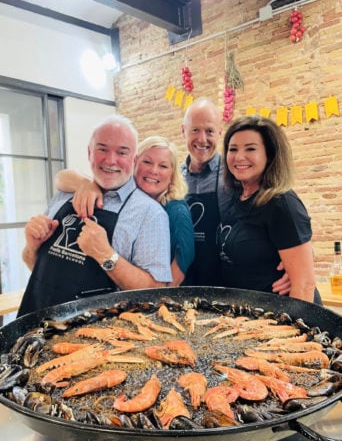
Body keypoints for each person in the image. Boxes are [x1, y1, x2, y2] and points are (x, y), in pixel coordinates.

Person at [17, 115, 172, 317]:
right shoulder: (65, 194)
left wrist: (106, 256)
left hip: (94, 339)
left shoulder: (150, 214)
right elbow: (35, 266)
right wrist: (32, 245)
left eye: (122, 152)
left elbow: (155, 292)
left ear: (133, 160)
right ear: (90, 152)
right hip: (34, 323)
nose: (110, 160)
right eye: (102, 149)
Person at [181, 97, 290, 294]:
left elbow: (286, 218)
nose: (202, 139)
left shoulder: (236, 173)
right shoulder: (172, 177)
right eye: (195, 130)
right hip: (183, 280)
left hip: (226, 282)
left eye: (210, 131)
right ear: (183, 131)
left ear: (220, 133)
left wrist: (293, 266)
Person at [55, 136, 195, 286]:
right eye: (147, 162)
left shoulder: (176, 212)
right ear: (134, 163)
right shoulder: (116, 192)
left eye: (163, 166)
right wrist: (86, 185)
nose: (154, 171)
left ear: (172, 174)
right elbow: (61, 177)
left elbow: (170, 285)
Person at [217, 115, 322, 304]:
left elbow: (304, 283)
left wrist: (290, 330)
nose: (239, 157)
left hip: (281, 318)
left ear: (270, 154)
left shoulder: (282, 203)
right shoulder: (234, 197)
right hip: (249, 315)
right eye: (233, 149)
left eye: (250, 148)